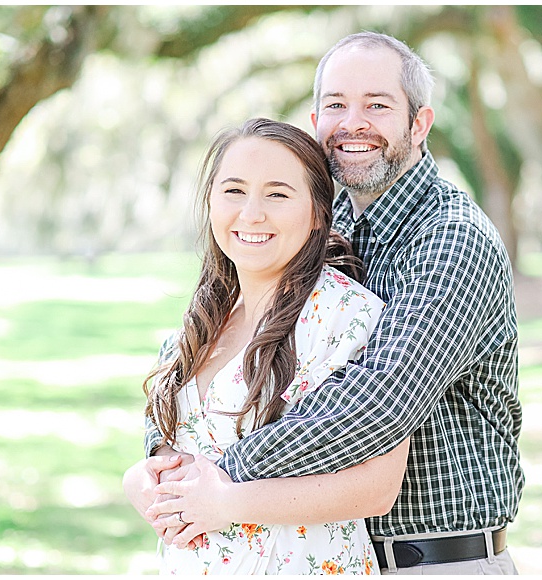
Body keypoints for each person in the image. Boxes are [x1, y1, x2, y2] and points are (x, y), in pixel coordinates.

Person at [130, 31, 525, 575]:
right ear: (316, 122)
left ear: (420, 123)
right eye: (336, 105)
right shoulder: (321, 230)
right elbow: (209, 351)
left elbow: (376, 405)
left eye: (377, 106)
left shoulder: (451, 239)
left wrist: (220, 475)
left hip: (433, 561)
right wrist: (162, 459)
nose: (352, 123)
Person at [125, 117, 412, 575]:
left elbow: (377, 488)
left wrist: (228, 504)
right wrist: (141, 480)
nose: (251, 213)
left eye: (277, 194)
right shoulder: (202, 320)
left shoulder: (347, 315)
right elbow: (177, 449)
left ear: (319, 212)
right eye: (234, 190)